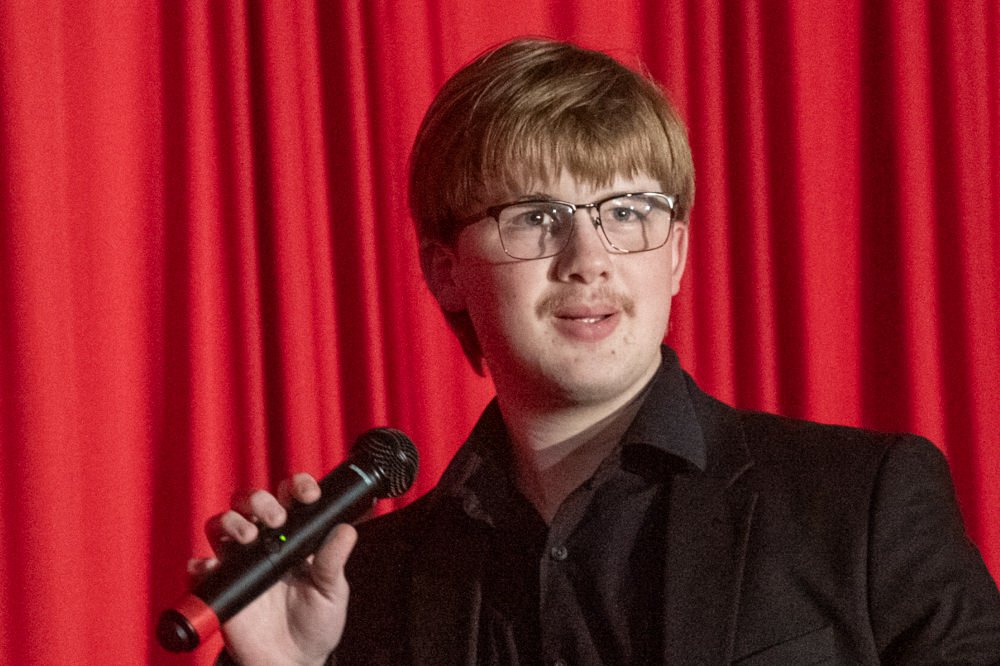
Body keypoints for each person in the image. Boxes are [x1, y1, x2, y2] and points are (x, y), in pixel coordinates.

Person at [200, 37, 1000, 664]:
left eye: (628, 211)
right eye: (535, 216)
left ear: (677, 254)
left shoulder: (860, 504)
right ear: (445, 272)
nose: (588, 257)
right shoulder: (362, 585)